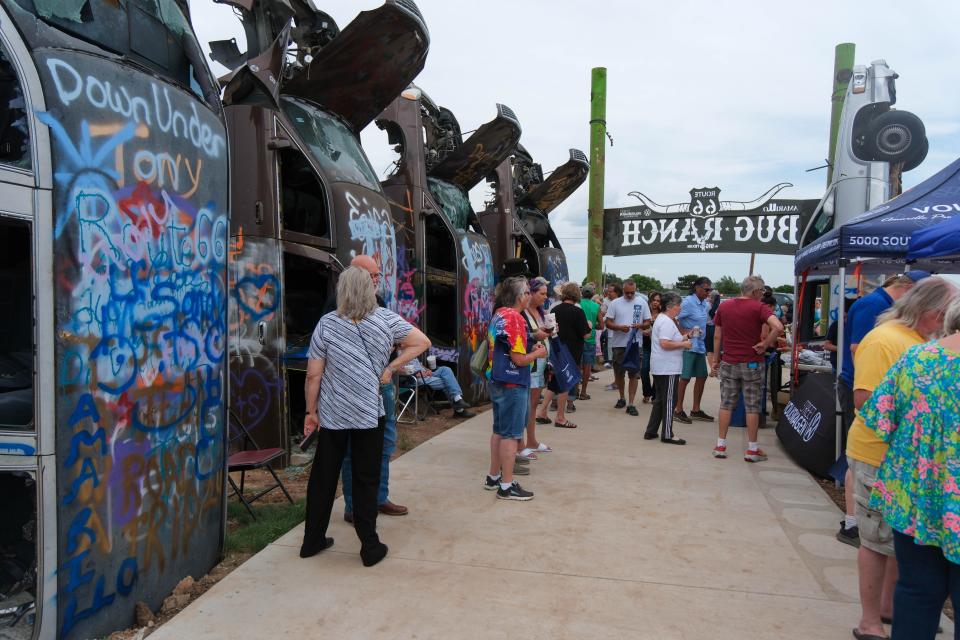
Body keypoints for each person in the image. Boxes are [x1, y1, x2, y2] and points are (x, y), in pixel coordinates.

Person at [844, 277, 956, 640]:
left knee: (911, 573)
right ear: (934, 313)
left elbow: (881, 409)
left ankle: (889, 612)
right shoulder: (890, 341)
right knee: (877, 543)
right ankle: (871, 620)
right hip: (889, 464)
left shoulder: (918, 350)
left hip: (913, 480)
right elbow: (865, 402)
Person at [300, 267, 430, 565]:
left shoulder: (327, 324)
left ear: (342, 291)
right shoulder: (386, 320)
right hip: (369, 414)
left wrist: (311, 412)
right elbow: (422, 342)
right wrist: (390, 368)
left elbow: (313, 375)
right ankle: (369, 546)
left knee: (323, 477)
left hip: (333, 415)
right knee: (366, 478)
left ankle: (312, 540)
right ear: (370, 290)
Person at [837, 272, 928, 546]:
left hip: (865, 389)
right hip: (861, 388)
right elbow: (857, 348)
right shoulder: (874, 306)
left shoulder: (881, 308)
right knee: (859, 459)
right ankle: (853, 523)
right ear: (909, 290)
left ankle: (857, 521)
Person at [340, 255, 409, 523]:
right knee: (352, 450)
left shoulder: (378, 304)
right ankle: (353, 506)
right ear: (357, 275)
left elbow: (405, 339)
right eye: (373, 276)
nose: (378, 280)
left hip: (382, 387)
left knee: (386, 442)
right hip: (352, 391)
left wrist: (391, 362)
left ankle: (379, 498)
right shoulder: (337, 306)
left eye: (379, 276)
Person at [484, 276, 546, 500]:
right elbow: (519, 360)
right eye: (528, 291)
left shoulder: (500, 314)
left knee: (499, 431)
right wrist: (538, 352)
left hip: (498, 379)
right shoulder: (516, 318)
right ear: (520, 297)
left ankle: (494, 477)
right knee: (511, 434)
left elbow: (504, 343)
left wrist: (530, 340)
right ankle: (507, 485)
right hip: (513, 382)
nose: (530, 295)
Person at [710, 275, 783, 462]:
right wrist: (765, 344)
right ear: (755, 291)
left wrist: (716, 359)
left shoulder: (724, 306)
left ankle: (720, 445)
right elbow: (778, 327)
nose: (763, 295)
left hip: (729, 361)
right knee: (752, 406)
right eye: (762, 291)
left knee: (726, 403)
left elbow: (718, 335)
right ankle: (752, 449)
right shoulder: (760, 307)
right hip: (752, 362)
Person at [538, 282, 590, 429]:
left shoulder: (554, 309)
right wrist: (590, 326)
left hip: (556, 349)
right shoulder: (578, 312)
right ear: (577, 295)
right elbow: (585, 335)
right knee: (565, 383)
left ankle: (542, 412)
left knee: (554, 382)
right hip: (571, 352)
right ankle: (560, 417)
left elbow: (550, 328)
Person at [644, 293, 690, 444]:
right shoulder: (666, 322)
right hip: (667, 367)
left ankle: (651, 430)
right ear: (670, 306)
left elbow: (671, 339)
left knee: (660, 400)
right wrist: (684, 344)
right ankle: (667, 434)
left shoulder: (665, 320)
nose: (680, 308)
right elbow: (665, 343)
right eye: (678, 305)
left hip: (663, 366)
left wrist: (687, 337)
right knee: (670, 400)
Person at [605, 280, 652, 415]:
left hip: (636, 344)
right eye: (627, 293)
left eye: (632, 293)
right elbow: (608, 322)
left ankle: (631, 403)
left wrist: (641, 326)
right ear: (623, 291)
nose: (630, 295)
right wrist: (619, 327)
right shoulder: (615, 303)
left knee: (634, 374)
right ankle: (621, 397)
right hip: (619, 344)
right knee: (619, 373)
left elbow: (648, 322)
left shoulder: (642, 302)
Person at [520, 277, 553, 458]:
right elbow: (524, 337)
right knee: (527, 405)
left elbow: (540, 335)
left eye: (546, 294)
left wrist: (550, 331)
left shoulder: (539, 312)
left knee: (532, 404)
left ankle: (530, 440)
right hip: (531, 362)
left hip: (540, 362)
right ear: (530, 293)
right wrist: (537, 335)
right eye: (541, 294)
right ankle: (522, 443)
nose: (545, 297)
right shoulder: (523, 313)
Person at [674, 277, 714, 424]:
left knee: (702, 376)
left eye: (710, 289)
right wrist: (684, 333)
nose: (708, 292)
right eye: (706, 289)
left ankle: (695, 410)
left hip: (699, 346)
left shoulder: (703, 303)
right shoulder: (688, 302)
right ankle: (677, 410)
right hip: (689, 346)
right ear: (696, 288)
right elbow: (674, 318)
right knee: (684, 378)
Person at [401, 359, 475, 418]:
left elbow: (420, 365)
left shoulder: (411, 350)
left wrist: (427, 370)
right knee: (448, 382)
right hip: (415, 379)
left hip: (426, 375)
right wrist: (415, 374)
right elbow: (397, 370)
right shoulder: (397, 354)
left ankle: (458, 401)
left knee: (446, 369)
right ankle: (459, 408)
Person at [579, 284, 601, 400]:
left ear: (581, 293)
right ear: (593, 294)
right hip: (590, 339)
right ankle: (583, 392)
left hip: (578, 338)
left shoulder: (577, 304)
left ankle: (575, 390)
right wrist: (592, 327)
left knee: (577, 364)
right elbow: (601, 325)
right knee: (587, 367)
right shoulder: (596, 306)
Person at [640, 291, 662, 403]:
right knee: (644, 370)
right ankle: (647, 393)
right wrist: (643, 331)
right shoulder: (645, 312)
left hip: (658, 347)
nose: (655, 302)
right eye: (654, 300)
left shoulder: (662, 315)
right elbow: (638, 326)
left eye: (658, 301)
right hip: (645, 345)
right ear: (650, 300)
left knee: (657, 371)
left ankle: (655, 394)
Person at [600, 283, 621, 376]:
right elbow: (602, 313)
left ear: (617, 293)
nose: (608, 293)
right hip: (610, 333)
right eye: (608, 291)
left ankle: (617, 381)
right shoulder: (606, 301)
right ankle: (616, 381)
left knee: (617, 359)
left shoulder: (622, 302)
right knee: (613, 358)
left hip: (620, 335)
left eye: (611, 292)